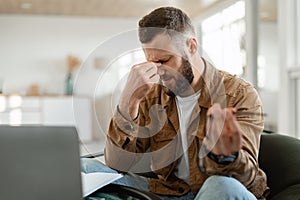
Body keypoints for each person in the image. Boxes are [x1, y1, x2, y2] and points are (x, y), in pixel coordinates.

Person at [82, 6, 269, 200]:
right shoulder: (153, 94)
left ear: (192, 46)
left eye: (164, 60)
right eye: (151, 62)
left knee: (221, 186)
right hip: (169, 192)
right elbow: (118, 163)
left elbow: (245, 179)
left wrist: (226, 157)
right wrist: (128, 102)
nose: (158, 71)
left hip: (215, 191)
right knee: (86, 168)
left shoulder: (238, 94)